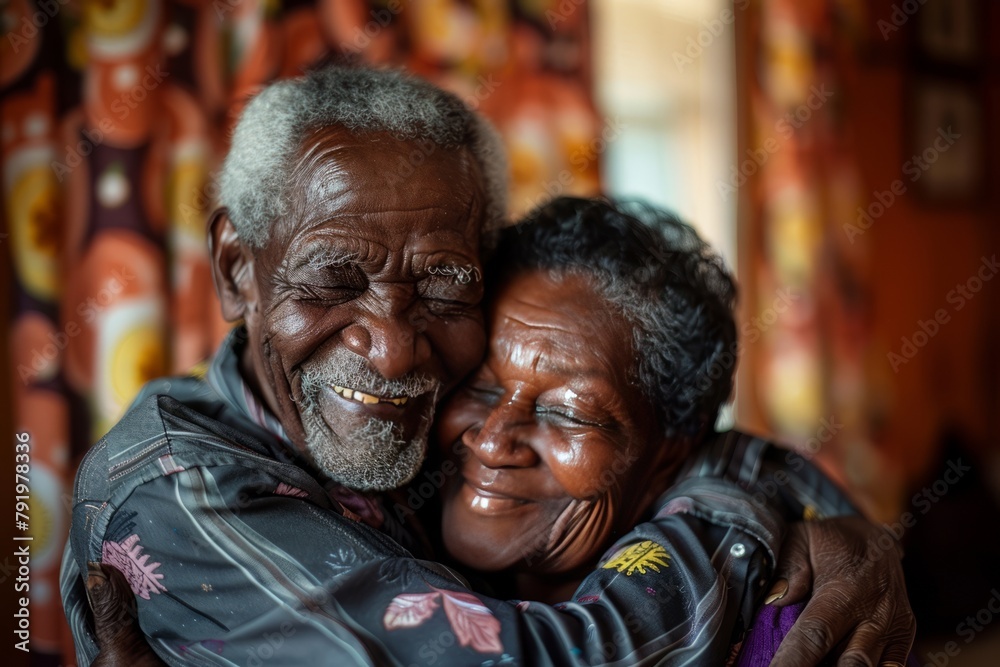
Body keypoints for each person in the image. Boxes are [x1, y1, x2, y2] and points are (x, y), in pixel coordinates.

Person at [62, 65, 912, 666]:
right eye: (333, 280)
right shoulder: (178, 489)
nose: (394, 348)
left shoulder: (407, 423)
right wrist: (744, 519)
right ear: (238, 269)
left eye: (442, 282)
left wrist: (840, 521)